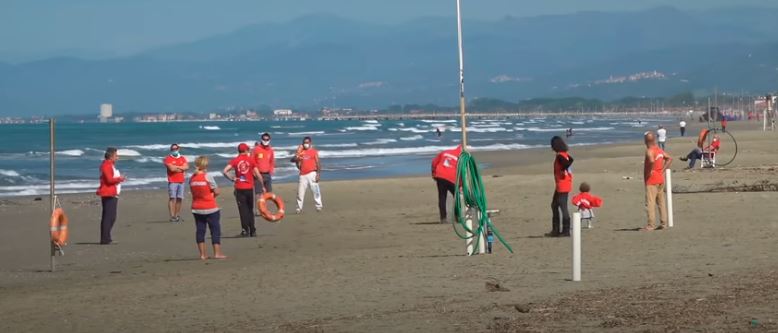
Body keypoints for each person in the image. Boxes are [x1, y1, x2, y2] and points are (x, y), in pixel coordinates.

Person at [223, 143, 264, 237]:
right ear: (246, 150)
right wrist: (262, 186)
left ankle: (245, 230)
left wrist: (232, 178)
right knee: (250, 209)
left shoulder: (235, 160)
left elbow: (225, 171)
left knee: (242, 210)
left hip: (239, 188)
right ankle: (253, 230)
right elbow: (258, 175)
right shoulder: (251, 160)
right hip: (249, 188)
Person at [189, 156, 226, 260]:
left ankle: (202, 254)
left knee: (200, 230)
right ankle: (217, 253)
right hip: (210, 207)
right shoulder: (207, 176)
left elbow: (193, 191)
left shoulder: (192, 178)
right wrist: (212, 195)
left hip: (196, 207)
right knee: (215, 230)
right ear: (205, 165)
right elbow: (216, 191)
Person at [642, 132, 672, 231]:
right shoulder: (659, 150)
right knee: (661, 202)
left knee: (650, 203)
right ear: (654, 140)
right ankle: (663, 223)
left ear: (646, 141)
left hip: (652, 180)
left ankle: (651, 225)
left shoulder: (649, 150)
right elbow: (669, 158)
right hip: (660, 179)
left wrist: (650, 170)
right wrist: (662, 170)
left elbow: (651, 160)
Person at [96, 147, 126, 245]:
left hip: (112, 193)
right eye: (116, 156)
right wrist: (120, 179)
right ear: (111, 156)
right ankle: (105, 239)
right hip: (108, 193)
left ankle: (107, 237)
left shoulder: (110, 165)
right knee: (109, 217)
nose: (117, 157)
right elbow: (109, 180)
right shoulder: (106, 165)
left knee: (111, 216)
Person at [547, 136, 573, 237]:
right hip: (562, 184)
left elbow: (567, 163)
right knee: (554, 205)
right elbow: (571, 160)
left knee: (563, 207)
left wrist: (564, 168)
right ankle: (556, 230)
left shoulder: (560, 156)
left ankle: (566, 231)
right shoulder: (565, 154)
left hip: (563, 185)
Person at [431, 145, 462, 224]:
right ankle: (458, 217)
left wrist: (434, 173)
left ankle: (443, 218)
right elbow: (461, 173)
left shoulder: (445, 152)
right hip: (451, 177)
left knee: (442, 197)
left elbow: (434, 162)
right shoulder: (460, 158)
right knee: (457, 197)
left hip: (440, 175)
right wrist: (461, 185)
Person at [295, 136, 323, 213]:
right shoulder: (300, 152)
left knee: (315, 191)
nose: (305, 144)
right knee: (300, 193)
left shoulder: (314, 151)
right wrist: (297, 160)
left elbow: (318, 163)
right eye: (304, 143)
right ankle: (299, 208)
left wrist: (318, 174)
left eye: (307, 142)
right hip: (302, 174)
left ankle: (318, 206)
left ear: (310, 143)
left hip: (312, 173)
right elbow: (298, 165)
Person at [164, 144, 189, 223]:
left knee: (179, 198)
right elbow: (171, 169)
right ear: (171, 149)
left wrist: (177, 167)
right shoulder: (168, 158)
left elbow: (186, 167)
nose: (174, 150)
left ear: (179, 148)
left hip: (181, 181)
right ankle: (172, 216)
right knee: (172, 198)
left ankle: (177, 215)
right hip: (172, 181)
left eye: (176, 148)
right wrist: (181, 168)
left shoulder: (182, 158)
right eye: (173, 149)